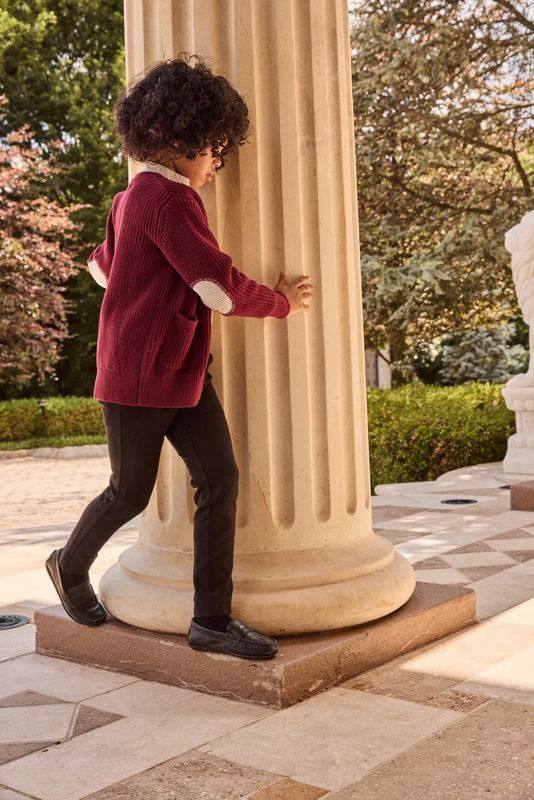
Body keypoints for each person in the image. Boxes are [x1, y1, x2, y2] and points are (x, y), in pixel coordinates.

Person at [45, 52, 313, 660]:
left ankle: (210, 621)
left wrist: (146, 288)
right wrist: (283, 303)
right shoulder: (169, 201)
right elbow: (216, 287)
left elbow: (100, 268)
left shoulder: (129, 199)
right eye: (214, 150)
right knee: (128, 492)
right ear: (178, 139)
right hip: (139, 376)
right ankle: (69, 563)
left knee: (220, 479)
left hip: (183, 372)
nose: (217, 164)